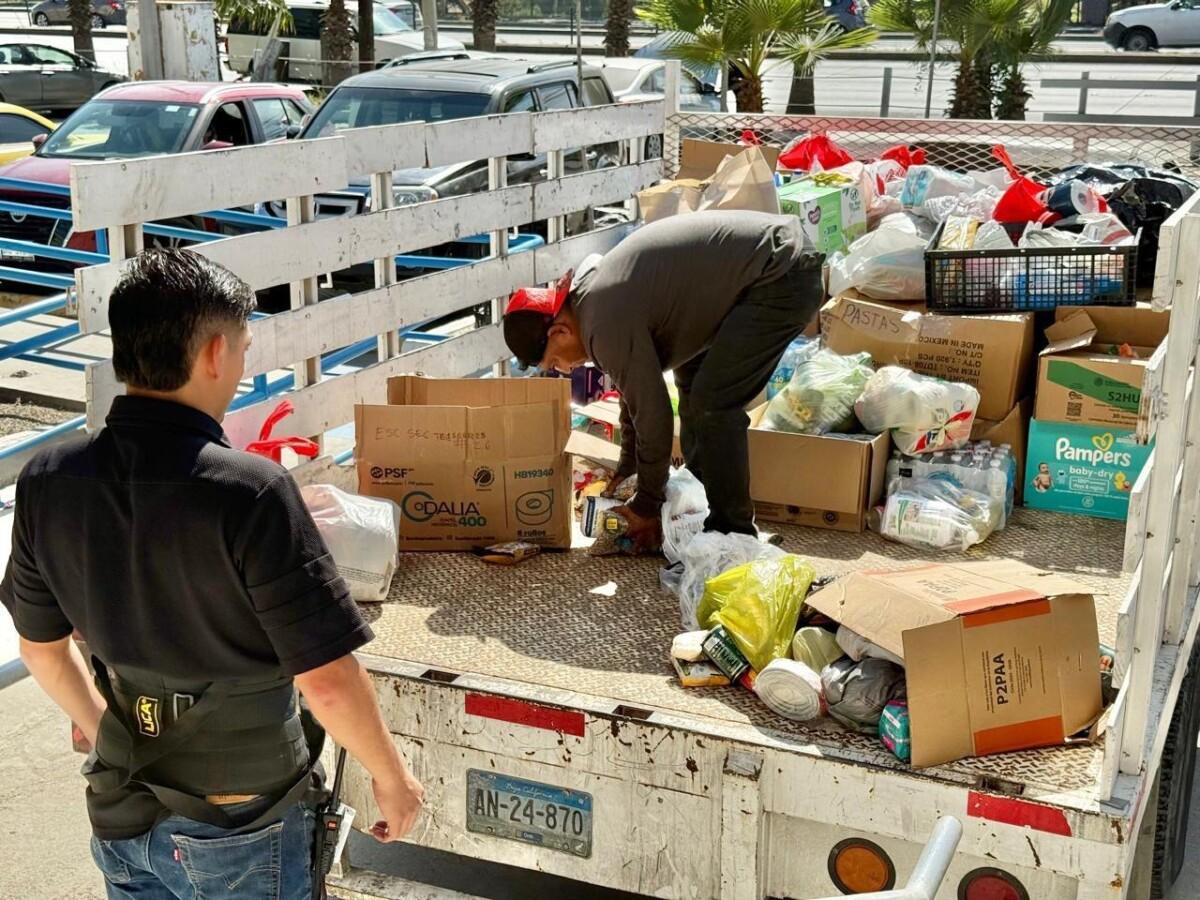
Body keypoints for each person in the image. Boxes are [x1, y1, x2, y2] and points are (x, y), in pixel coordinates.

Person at [1, 249, 423, 899]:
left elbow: (41, 648)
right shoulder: (249, 492)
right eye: (246, 347)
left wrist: (105, 727)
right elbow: (328, 680)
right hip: (240, 822)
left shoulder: (48, 480)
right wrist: (391, 779)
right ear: (216, 354)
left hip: (120, 814)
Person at [503, 210, 823, 551]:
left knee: (714, 404)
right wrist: (628, 470)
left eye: (555, 361)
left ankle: (732, 537)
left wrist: (646, 504)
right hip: (762, 271)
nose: (566, 370)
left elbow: (653, 418)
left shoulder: (601, 323)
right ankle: (695, 507)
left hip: (779, 275)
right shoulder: (590, 302)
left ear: (560, 331)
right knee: (691, 385)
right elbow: (633, 397)